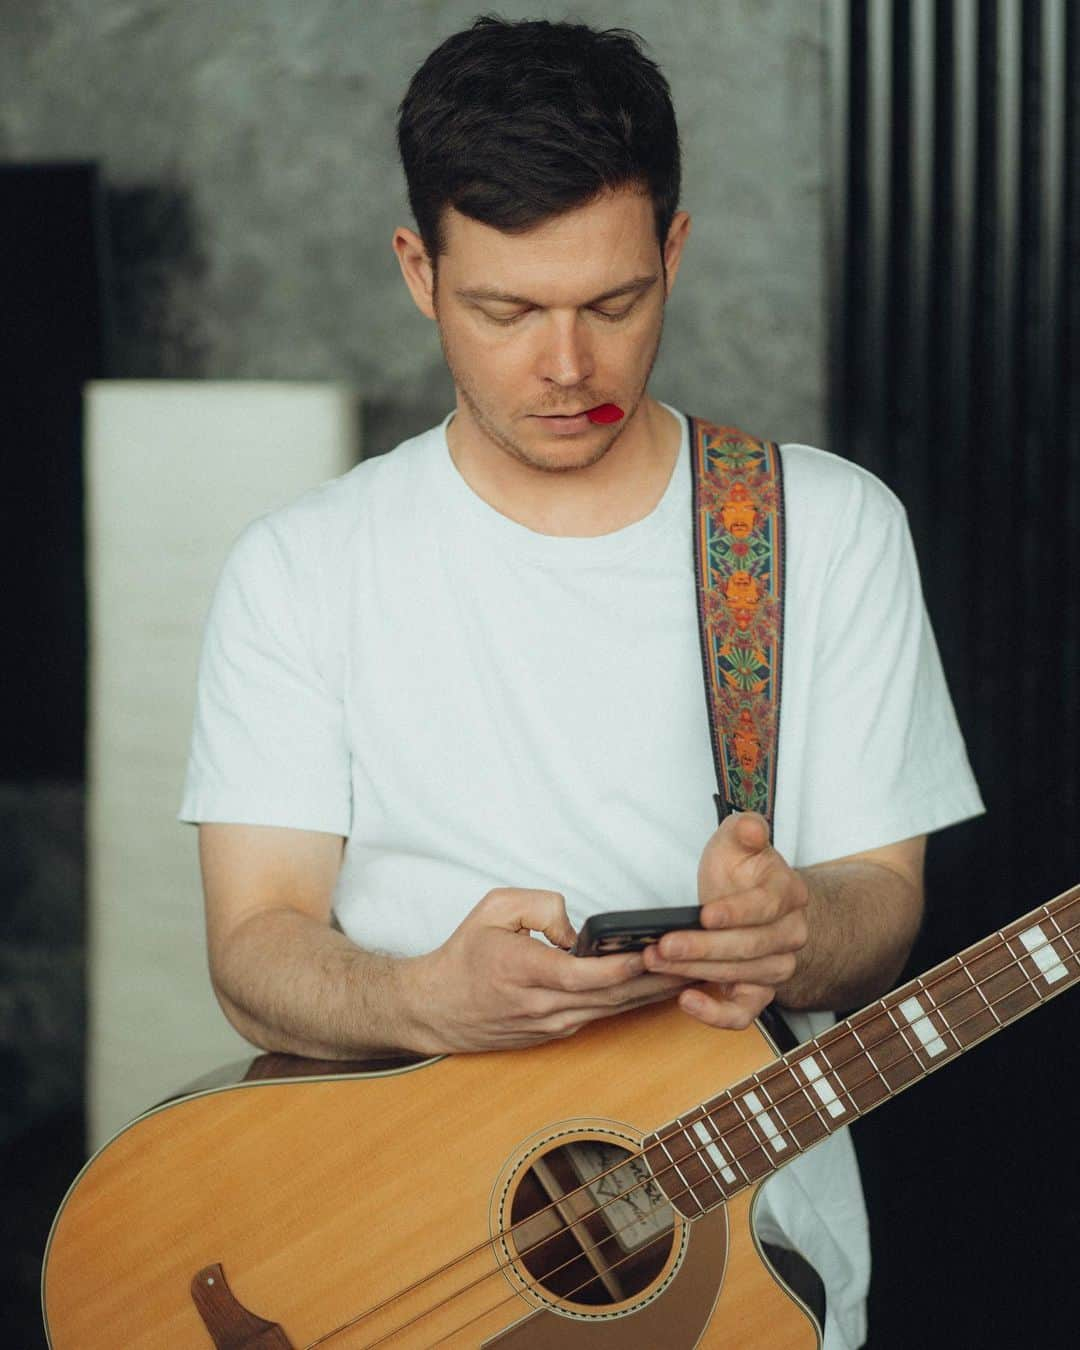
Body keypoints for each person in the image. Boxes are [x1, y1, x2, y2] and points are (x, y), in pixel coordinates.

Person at [179, 16, 983, 1349]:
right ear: (418, 270)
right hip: (388, 1252)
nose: (567, 365)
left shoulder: (822, 530)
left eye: (612, 303)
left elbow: (881, 913)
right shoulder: (300, 567)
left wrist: (792, 925)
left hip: (744, 1254)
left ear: (673, 250)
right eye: (506, 309)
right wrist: (419, 996)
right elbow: (254, 949)